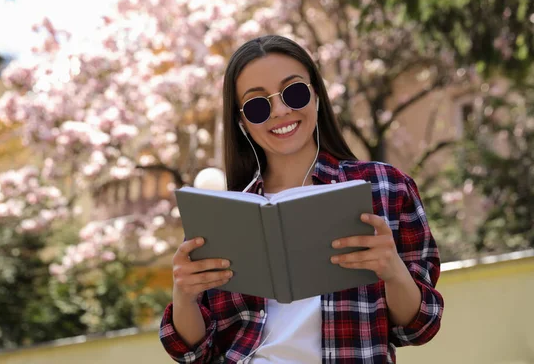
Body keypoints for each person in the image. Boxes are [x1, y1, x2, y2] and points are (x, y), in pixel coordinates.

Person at [159, 35, 444, 363]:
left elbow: (420, 327)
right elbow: (195, 352)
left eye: (294, 92)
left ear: (317, 96)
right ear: (242, 123)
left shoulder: (385, 188)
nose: (280, 110)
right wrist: (184, 296)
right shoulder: (223, 217)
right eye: (257, 105)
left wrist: (392, 270)